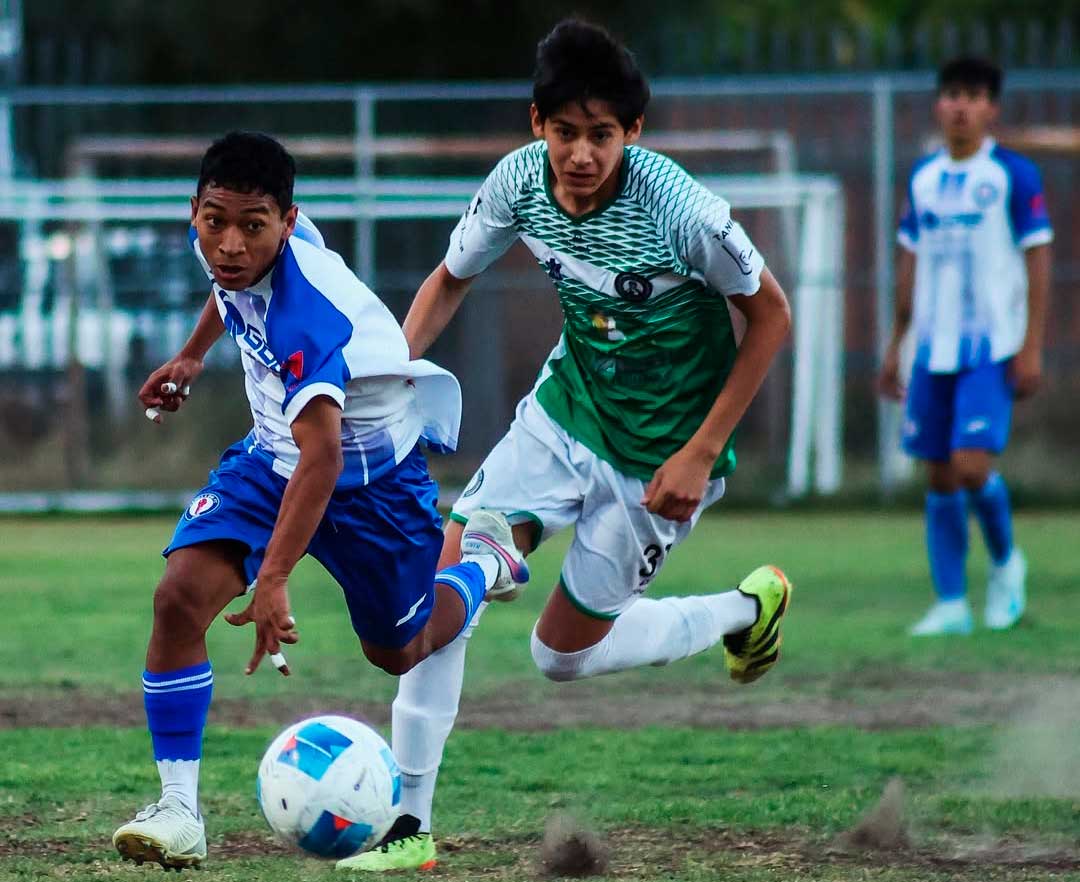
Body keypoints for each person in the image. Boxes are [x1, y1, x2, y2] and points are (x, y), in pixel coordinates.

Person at [335, 20, 793, 873]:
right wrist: (390, 388)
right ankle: (408, 824)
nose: (582, 154)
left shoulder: (681, 209)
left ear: (634, 135)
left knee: (559, 656)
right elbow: (449, 279)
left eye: (603, 135)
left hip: (659, 450)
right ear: (537, 121)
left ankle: (745, 609)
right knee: (449, 571)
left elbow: (772, 315)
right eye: (566, 132)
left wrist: (700, 452)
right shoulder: (516, 181)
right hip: (566, 407)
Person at [110, 132, 528, 871]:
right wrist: (193, 353)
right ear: (197, 210)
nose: (230, 244)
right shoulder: (226, 241)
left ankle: (485, 563)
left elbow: (325, 456)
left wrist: (273, 579)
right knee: (179, 598)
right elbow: (228, 291)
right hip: (273, 459)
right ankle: (179, 809)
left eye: (253, 226)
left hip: (369, 479)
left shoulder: (306, 319)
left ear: (289, 220)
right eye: (215, 222)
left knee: (399, 650)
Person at [879, 57, 1053, 636]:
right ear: (938, 104)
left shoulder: (1012, 175)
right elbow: (910, 260)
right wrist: (896, 342)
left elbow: (1038, 258)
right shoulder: (923, 178)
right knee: (939, 476)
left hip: (991, 347)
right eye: (951, 93)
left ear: (991, 108)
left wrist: (1031, 346)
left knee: (972, 465)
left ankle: (1006, 563)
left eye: (973, 95)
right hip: (932, 349)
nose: (959, 105)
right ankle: (951, 603)